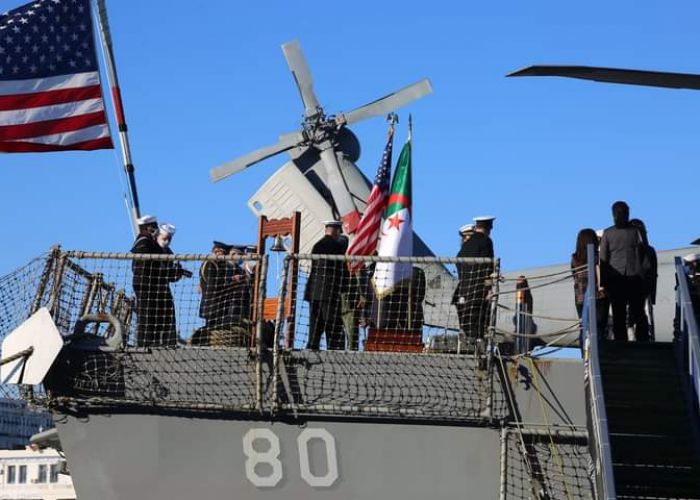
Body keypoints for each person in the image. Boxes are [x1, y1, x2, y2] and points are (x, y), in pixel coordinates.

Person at [599, 201, 648, 342]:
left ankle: (622, 342)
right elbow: (643, 251)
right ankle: (641, 340)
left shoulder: (608, 234)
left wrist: (603, 283)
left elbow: (603, 260)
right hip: (631, 278)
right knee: (635, 313)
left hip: (620, 279)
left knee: (621, 314)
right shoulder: (635, 232)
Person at [131, 215, 178, 347]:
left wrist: (176, 273)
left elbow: (170, 274)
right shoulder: (144, 242)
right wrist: (166, 272)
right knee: (147, 316)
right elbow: (143, 266)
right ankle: (145, 345)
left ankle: (166, 343)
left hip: (161, 288)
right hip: (146, 286)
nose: (167, 241)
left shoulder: (167, 252)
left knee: (167, 315)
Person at [452, 216, 495, 346]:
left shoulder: (465, 247)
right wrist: (488, 288)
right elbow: (487, 267)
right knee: (479, 328)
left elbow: (460, 266)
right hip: (478, 292)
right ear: (489, 227)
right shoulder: (486, 242)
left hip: (463, 293)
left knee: (467, 326)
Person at [304, 221, 347, 350]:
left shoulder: (317, 245)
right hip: (330, 293)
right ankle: (336, 355)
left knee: (315, 328)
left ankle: (311, 351)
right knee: (333, 327)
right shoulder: (336, 247)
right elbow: (341, 268)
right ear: (336, 230)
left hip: (314, 292)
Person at [571, 228, 609, 338]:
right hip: (599, 296)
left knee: (584, 328)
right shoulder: (599, 257)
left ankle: (585, 352)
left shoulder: (574, 259)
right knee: (599, 329)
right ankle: (599, 351)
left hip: (580, 298)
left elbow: (574, 276)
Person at [198, 241, 238, 330]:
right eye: (224, 254)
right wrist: (232, 279)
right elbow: (212, 283)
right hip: (212, 305)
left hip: (219, 305)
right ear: (217, 252)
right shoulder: (210, 264)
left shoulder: (219, 265)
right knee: (212, 331)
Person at [630, 218, 658, 340]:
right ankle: (645, 337)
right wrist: (652, 295)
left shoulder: (628, 250)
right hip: (645, 289)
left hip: (631, 287)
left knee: (632, 317)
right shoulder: (650, 250)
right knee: (643, 316)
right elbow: (653, 273)